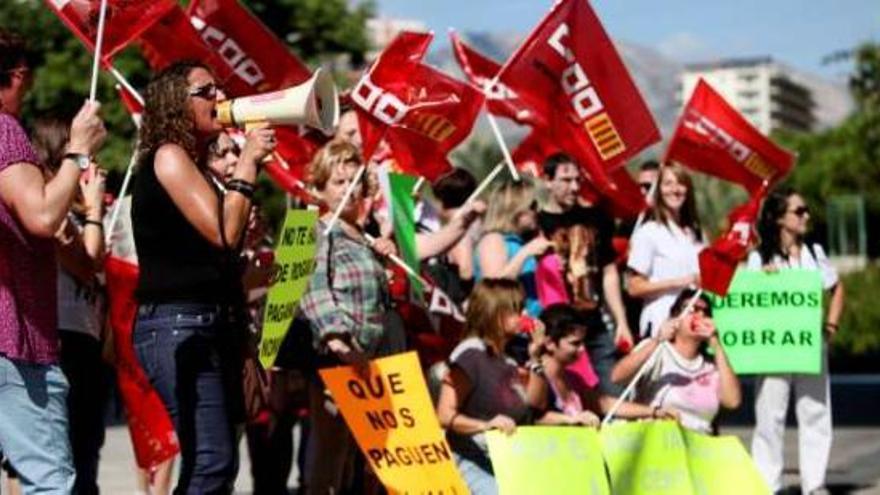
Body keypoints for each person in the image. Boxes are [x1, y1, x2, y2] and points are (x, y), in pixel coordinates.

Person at [131, 61, 276, 493]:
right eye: (206, 91)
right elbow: (222, 231)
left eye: (219, 89)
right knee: (212, 462)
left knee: (216, 464)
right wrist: (248, 161)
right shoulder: (169, 156)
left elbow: (219, 251)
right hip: (180, 327)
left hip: (208, 325)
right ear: (176, 103)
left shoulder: (194, 168)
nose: (220, 98)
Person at [0, 28, 106, 493]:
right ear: (20, 75)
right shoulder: (4, 131)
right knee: (51, 481)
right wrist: (78, 150)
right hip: (12, 340)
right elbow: (43, 216)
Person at [297, 140, 400, 494]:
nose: (349, 190)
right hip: (338, 359)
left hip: (368, 360)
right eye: (338, 182)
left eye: (354, 181)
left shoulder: (362, 235)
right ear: (320, 188)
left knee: (360, 459)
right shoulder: (313, 228)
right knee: (330, 456)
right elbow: (313, 291)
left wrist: (383, 261)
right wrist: (341, 346)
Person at [32, 117, 111, 495]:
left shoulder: (72, 212)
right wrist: (95, 208)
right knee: (66, 455)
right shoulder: (47, 207)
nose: (92, 168)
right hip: (60, 339)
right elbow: (87, 263)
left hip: (85, 338)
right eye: (83, 160)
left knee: (87, 447)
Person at [749, 188, 844, 495]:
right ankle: (767, 485)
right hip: (773, 348)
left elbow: (837, 288)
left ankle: (814, 484)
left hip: (810, 346)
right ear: (779, 218)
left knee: (816, 412)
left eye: (806, 210)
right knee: (769, 416)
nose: (806, 216)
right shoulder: (759, 255)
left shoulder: (814, 252)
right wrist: (762, 279)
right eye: (799, 211)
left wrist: (829, 326)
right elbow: (745, 299)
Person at [536, 153, 633, 397]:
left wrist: (620, 320)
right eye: (566, 180)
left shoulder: (596, 218)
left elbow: (608, 271)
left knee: (610, 392)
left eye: (578, 180)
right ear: (548, 181)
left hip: (594, 323)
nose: (574, 187)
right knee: (566, 396)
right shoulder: (538, 222)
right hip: (556, 330)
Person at [436, 279, 540, 495]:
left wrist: (536, 355)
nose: (525, 314)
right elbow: (444, 415)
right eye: (517, 309)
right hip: (468, 461)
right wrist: (485, 425)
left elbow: (535, 407)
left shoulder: (510, 361)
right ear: (496, 312)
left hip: (504, 461)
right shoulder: (470, 354)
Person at [611, 289, 741, 434]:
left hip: (698, 444)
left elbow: (732, 401)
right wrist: (657, 340)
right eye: (691, 309)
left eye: (705, 312)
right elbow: (617, 376)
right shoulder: (658, 350)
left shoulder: (711, 365)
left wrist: (716, 344)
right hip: (656, 440)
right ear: (675, 317)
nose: (699, 315)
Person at [528, 304, 674, 426]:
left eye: (583, 342)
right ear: (550, 343)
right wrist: (571, 420)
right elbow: (534, 416)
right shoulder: (532, 377)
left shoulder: (572, 379)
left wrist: (654, 412)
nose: (582, 349)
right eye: (575, 343)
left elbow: (605, 404)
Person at [627, 164, 705, 338]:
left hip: (694, 326)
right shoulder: (649, 232)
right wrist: (679, 282)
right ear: (659, 190)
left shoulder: (696, 232)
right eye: (668, 184)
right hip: (661, 323)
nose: (675, 190)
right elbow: (634, 287)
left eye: (680, 184)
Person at [476, 181, 552, 317]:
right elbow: (493, 287)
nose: (537, 210)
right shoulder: (493, 240)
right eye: (532, 206)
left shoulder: (520, 242)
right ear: (515, 210)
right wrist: (525, 253)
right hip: (508, 328)